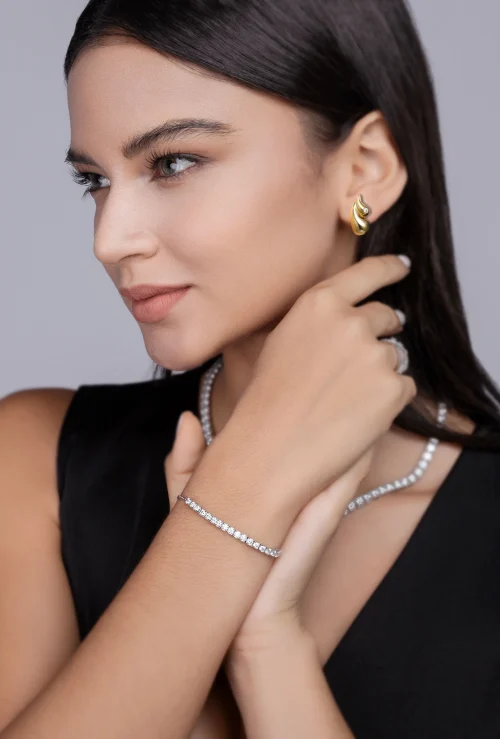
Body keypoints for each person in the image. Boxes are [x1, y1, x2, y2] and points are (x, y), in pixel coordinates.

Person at [1, 0, 500, 737]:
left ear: (364, 171)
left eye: (173, 163)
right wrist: (243, 492)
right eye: (94, 180)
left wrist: (266, 645)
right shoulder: (36, 461)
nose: (109, 239)